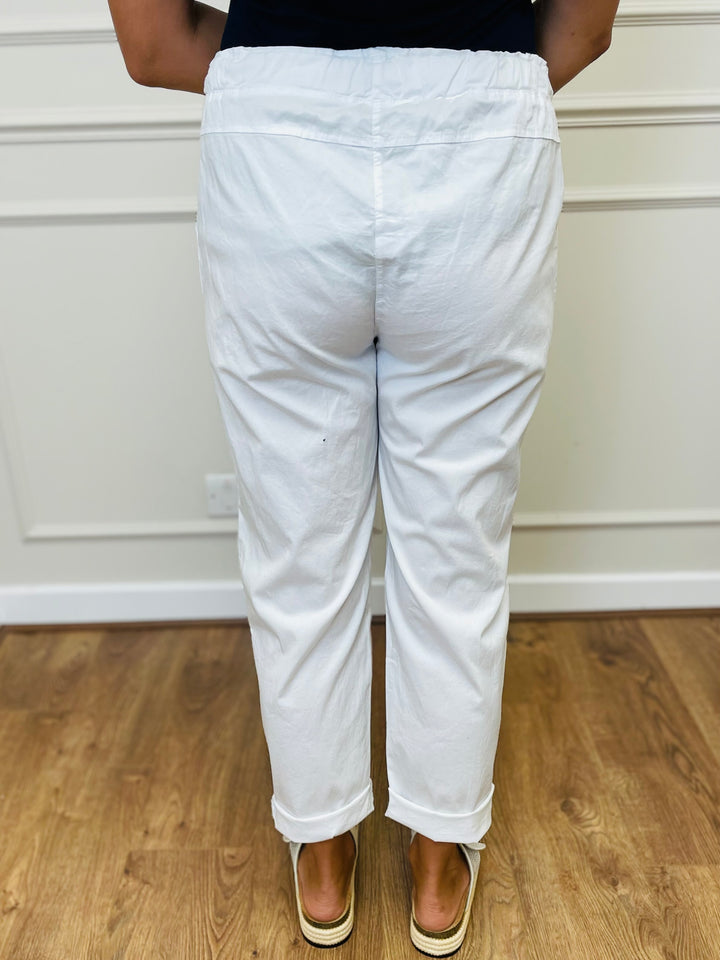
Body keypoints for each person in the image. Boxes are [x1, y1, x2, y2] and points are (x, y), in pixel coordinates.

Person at [107, 0, 619, 953]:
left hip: (277, 138)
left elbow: (150, 45)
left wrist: (292, 71)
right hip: (480, 126)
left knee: (297, 543)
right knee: (458, 543)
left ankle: (322, 853)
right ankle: (437, 866)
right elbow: (585, 29)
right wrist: (466, 87)